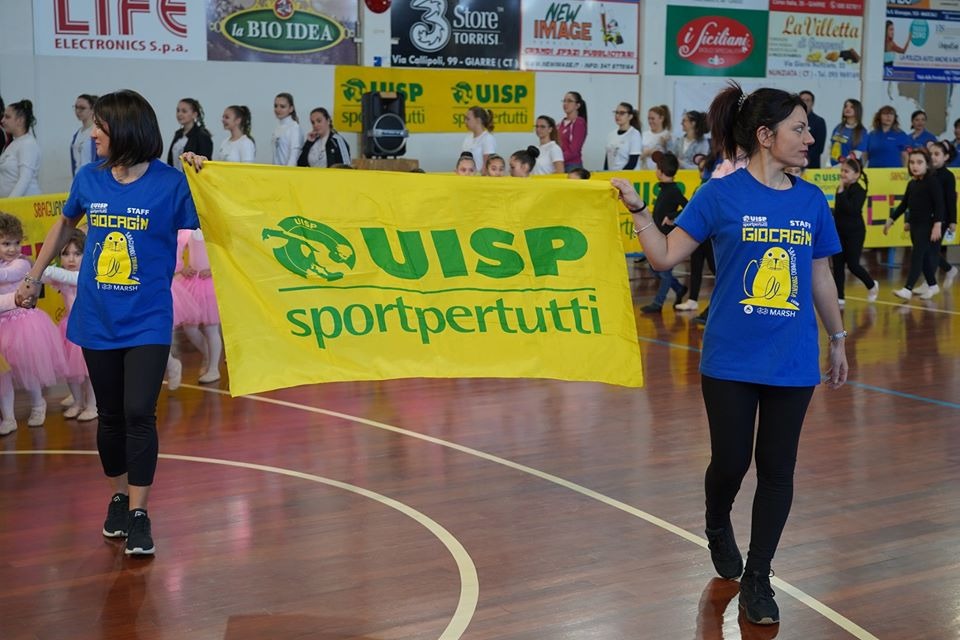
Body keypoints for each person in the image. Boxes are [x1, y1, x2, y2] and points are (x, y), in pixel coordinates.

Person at [611, 82, 847, 626]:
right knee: (732, 462)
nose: (809, 138)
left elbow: (820, 275)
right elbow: (665, 256)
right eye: (798, 129)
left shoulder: (811, 200)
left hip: (792, 359)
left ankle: (759, 578)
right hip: (730, 358)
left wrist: (837, 339)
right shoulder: (719, 195)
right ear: (765, 135)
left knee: (778, 469)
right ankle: (717, 521)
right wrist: (639, 209)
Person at [16, 89, 201, 556]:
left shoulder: (171, 184)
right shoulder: (90, 177)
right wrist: (34, 276)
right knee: (112, 415)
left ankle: (139, 513)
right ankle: (118, 497)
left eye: (100, 125)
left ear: (126, 129)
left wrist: (207, 177)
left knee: (140, 412)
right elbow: (64, 224)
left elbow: (218, 218)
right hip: (97, 315)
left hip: (148, 318)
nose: (93, 133)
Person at [0, 212, 66, 432]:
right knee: (3, 375)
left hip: (23, 324)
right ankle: (8, 417)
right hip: (2, 326)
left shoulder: (21, 263)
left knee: (27, 368)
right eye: (6, 243)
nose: (13, 248)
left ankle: (38, 404)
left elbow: (7, 276)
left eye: (16, 243)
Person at [40, 228, 98, 421]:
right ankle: (77, 401)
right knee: (70, 371)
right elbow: (41, 277)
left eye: (77, 254)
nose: (71, 259)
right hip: (69, 328)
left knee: (90, 371)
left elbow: (67, 277)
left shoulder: (88, 275)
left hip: (89, 328)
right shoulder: (61, 276)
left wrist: (41, 267)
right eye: (65, 254)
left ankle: (93, 405)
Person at [884, 147, 943, 300]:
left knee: (917, 256)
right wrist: (891, 220)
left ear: (927, 164)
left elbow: (939, 205)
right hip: (915, 226)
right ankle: (933, 285)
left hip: (927, 225)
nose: (915, 166)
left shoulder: (932, 182)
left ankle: (908, 288)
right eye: (912, 162)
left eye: (919, 162)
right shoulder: (912, 184)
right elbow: (904, 204)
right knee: (923, 257)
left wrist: (937, 225)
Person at [641, 151, 687, 313]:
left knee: (664, 272)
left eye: (657, 168)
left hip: (667, 236)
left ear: (660, 171)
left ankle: (658, 303)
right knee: (655, 268)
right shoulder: (665, 188)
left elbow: (688, 207)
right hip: (659, 235)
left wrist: (672, 216)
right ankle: (679, 289)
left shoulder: (673, 190)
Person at [832, 156, 879, 306]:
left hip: (855, 232)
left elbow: (851, 210)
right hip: (840, 231)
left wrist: (841, 193)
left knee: (853, 264)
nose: (843, 174)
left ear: (856, 174)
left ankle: (871, 285)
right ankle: (840, 296)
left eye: (846, 171)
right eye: (842, 170)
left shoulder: (860, 190)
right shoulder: (841, 189)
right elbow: (839, 211)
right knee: (838, 264)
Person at [929, 140, 958, 286]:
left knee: (932, 250)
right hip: (928, 217)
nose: (933, 157)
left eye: (936, 154)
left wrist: (953, 220)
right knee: (927, 250)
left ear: (945, 157)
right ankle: (949, 269)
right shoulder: (928, 174)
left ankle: (929, 283)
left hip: (943, 219)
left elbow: (951, 199)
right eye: (931, 154)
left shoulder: (948, 176)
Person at [0, 99, 42, 198]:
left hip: (24, 204)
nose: (2, 120)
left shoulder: (28, 144)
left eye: (7, 117)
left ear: (20, 120)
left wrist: (10, 203)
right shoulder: (14, 144)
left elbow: (25, 179)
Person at [166, 98, 213, 173]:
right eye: (178, 110)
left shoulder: (203, 136)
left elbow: (205, 163)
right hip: (176, 177)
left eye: (184, 111)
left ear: (194, 114)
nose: (179, 114)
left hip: (192, 178)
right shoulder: (178, 134)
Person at [605, 103, 642, 171]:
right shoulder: (611, 134)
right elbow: (607, 159)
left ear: (630, 116)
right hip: (612, 175)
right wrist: (605, 174)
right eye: (616, 112)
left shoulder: (635, 134)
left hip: (627, 175)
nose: (617, 116)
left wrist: (620, 175)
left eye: (622, 113)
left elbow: (632, 162)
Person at [829, 99, 866, 164]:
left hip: (848, 167)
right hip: (833, 167)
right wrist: (828, 164)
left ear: (858, 110)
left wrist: (842, 165)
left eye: (852, 107)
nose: (847, 108)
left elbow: (857, 153)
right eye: (846, 106)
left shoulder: (862, 131)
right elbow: (831, 147)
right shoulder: (838, 127)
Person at [558, 92, 587, 171]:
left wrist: (557, 159)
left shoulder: (579, 123)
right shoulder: (560, 124)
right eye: (564, 101)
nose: (565, 104)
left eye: (569, 101)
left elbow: (574, 151)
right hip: (560, 164)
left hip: (572, 166)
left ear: (577, 105)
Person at [272, 92, 303, 166]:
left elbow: (294, 155)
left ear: (291, 109)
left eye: (282, 106)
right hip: (276, 170)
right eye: (276, 106)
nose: (278, 109)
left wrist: (287, 171)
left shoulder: (294, 128)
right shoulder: (277, 128)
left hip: (288, 171)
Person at [71, 94, 99, 176]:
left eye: (82, 108)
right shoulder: (77, 134)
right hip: (78, 177)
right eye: (76, 107)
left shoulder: (98, 132)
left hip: (92, 178)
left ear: (92, 110)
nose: (78, 111)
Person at [462, 107, 496, 174]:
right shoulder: (468, 137)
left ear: (478, 120)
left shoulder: (487, 138)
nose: (465, 122)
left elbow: (486, 167)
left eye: (468, 119)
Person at [798, 91, 826, 169]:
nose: (805, 103)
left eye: (808, 100)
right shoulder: (792, 120)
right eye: (802, 100)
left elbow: (819, 148)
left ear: (812, 103)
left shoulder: (819, 121)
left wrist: (803, 160)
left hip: (811, 166)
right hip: (793, 165)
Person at [640, 105, 672, 169]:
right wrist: (647, 153)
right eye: (649, 118)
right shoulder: (643, 135)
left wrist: (666, 145)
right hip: (644, 171)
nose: (650, 121)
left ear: (661, 118)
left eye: (653, 118)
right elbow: (638, 157)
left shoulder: (668, 136)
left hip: (661, 172)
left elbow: (672, 159)